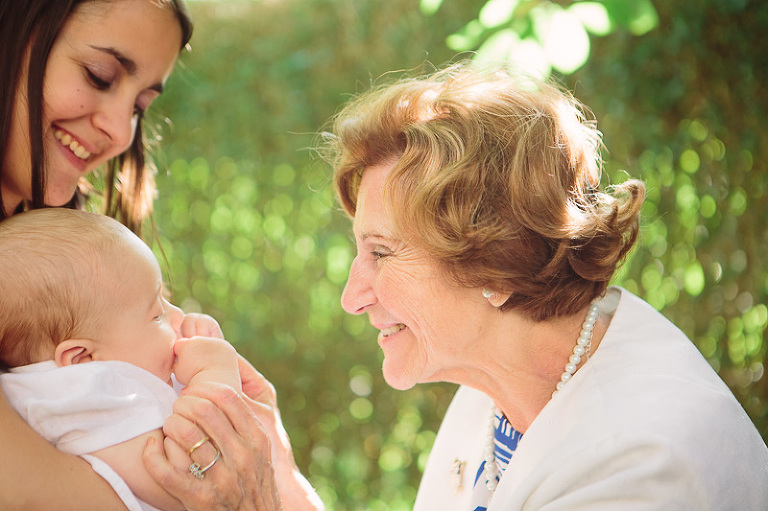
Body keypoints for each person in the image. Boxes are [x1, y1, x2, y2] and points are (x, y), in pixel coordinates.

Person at [320, 62, 768, 509]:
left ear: (495, 264)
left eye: (381, 253)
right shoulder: (495, 389)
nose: (351, 298)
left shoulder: (638, 469)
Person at [0, 1, 320, 509]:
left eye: (139, 107)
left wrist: (274, 461)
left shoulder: (82, 267)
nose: (120, 131)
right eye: (99, 75)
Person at [0, 208, 241, 511]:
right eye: (157, 314)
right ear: (82, 359)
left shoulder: (76, 384)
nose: (178, 315)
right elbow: (188, 484)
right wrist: (215, 374)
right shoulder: (84, 393)